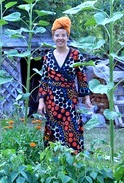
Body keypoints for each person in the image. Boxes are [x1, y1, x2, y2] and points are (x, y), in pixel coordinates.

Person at [37, 16, 92, 153]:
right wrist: (41, 102)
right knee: (53, 126)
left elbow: (81, 77)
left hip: (69, 98)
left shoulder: (75, 55)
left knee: (71, 126)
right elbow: (44, 80)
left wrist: (86, 98)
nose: (60, 38)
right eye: (57, 35)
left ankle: (73, 156)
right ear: (53, 37)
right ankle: (53, 156)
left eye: (63, 35)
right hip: (52, 100)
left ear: (67, 36)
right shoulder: (48, 57)